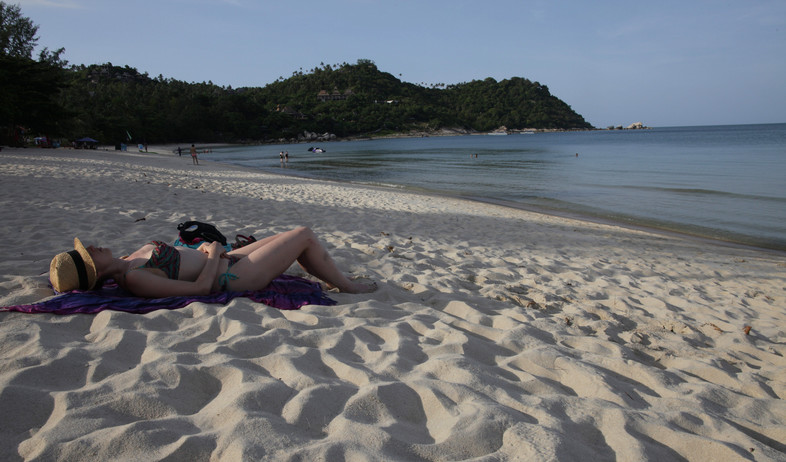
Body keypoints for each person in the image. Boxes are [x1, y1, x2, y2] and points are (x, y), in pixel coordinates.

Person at [50, 227, 377, 298]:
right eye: (88, 251)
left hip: (226, 256)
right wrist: (216, 253)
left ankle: (338, 281)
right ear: (92, 269)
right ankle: (347, 286)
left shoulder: (126, 261)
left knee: (297, 236)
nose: (94, 245)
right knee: (304, 235)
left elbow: (180, 254)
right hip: (232, 275)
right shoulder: (134, 278)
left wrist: (216, 247)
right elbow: (200, 288)